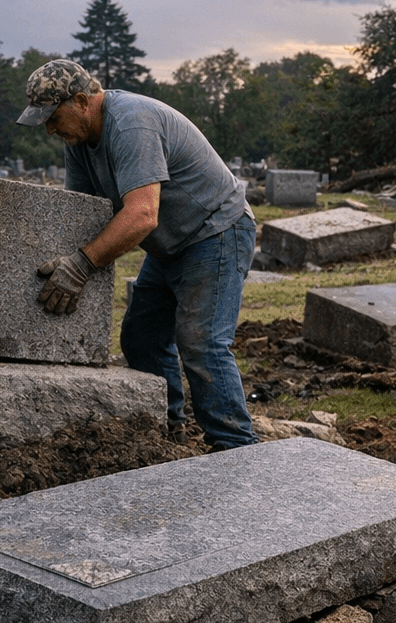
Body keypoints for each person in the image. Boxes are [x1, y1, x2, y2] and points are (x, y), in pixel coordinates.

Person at [17, 59, 257, 450]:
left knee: (201, 342)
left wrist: (80, 265)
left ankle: (235, 448)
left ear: (81, 101)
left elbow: (143, 214)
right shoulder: (79, 140)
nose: (49, 129)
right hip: (172, 244)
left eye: (53, 117)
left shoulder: (131, 123)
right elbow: (83, 211)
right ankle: (168, 429)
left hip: (216, 231)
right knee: (142, 337)